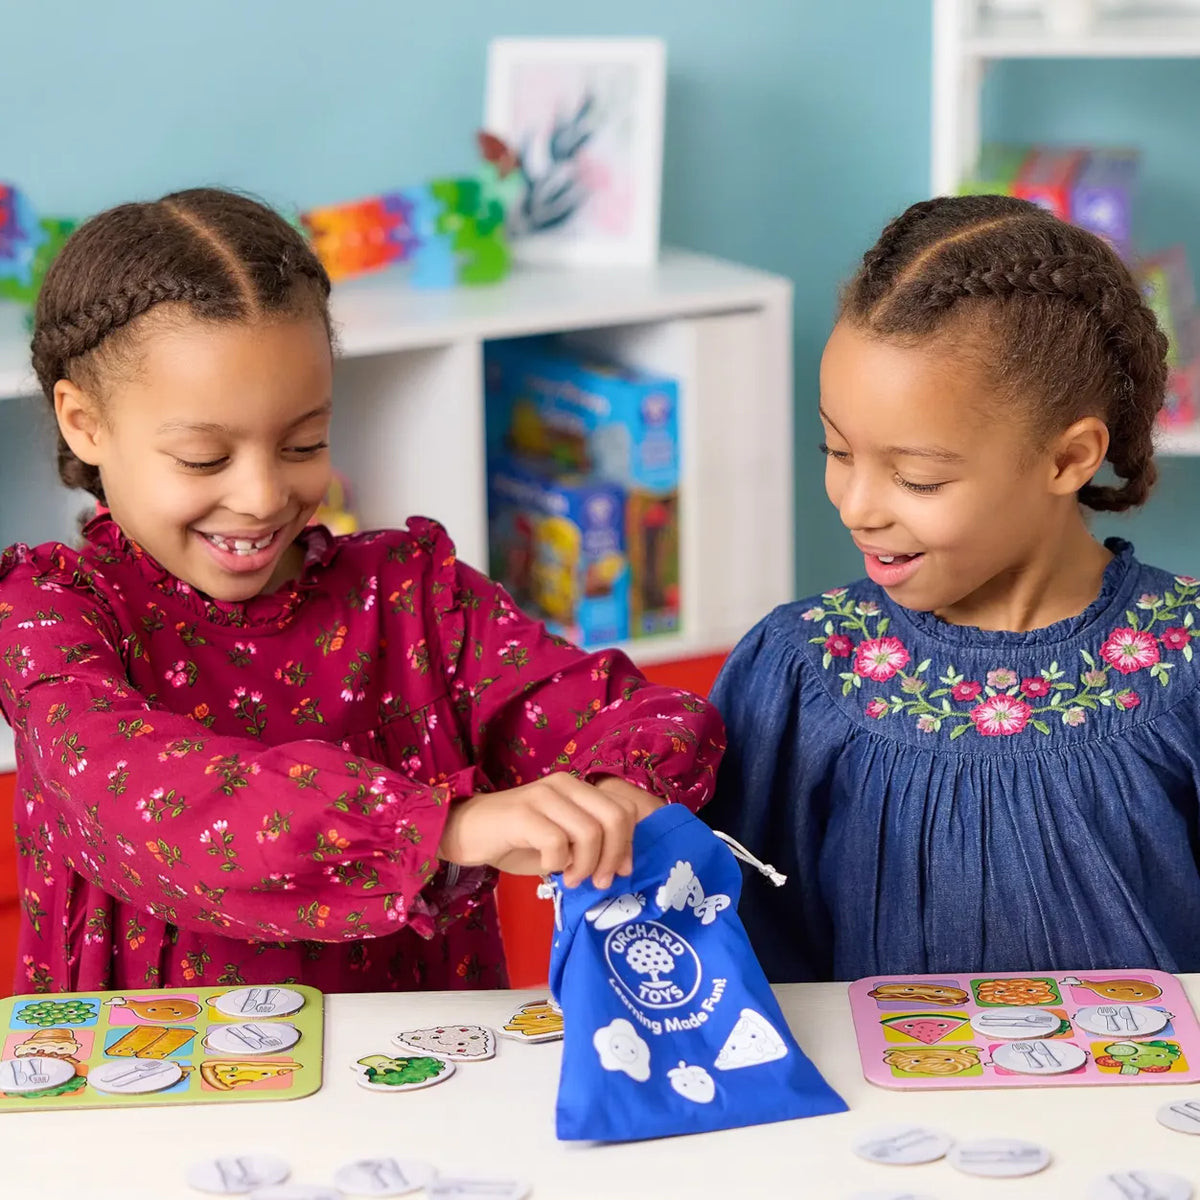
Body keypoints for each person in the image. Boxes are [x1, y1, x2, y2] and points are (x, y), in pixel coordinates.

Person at [0, 188, 724, 994]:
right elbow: (146, 798)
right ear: (83, 423)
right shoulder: (51, 616)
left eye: (304, 440)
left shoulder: (411, 597)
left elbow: (628, 710)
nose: (263, 493)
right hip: (158, 1083)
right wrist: (442, 827)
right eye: (205, 458)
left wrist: (617, 792)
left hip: (414, 1078)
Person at [704, 194, 1200, 981]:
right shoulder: (804, 670)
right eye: (837, 451)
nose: (857, 506)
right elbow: (741, 951)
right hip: (888, 1105)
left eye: (918, 478)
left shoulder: (1190, 663)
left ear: (1069, 459)